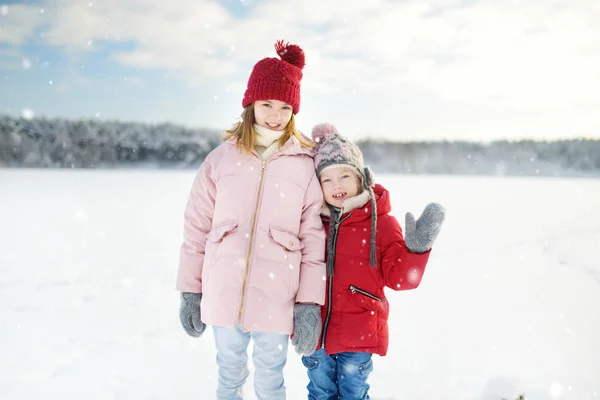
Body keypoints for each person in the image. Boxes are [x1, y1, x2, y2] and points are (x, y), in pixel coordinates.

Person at [176, 40, 326, 400]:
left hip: (278, 294)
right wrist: (190, 291)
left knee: (270, 378)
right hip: (223, 289)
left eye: (285, 107)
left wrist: (308, 304)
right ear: (250, 104)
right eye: (267, 104)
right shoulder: (220, 160)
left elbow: (313, 240)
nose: (276, 115)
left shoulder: (305, 165)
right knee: (229, 374)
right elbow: (196, 230)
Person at [301, 122, 446, 399]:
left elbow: (400, 279)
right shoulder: (310, 222)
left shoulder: (381, 223)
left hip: (360, 332)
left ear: (362, 178)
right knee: (320, 393)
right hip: (316, 332)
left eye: (344, 175)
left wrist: (416, 250)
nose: (337, 186)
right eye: (327, 179)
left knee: (354, 394)